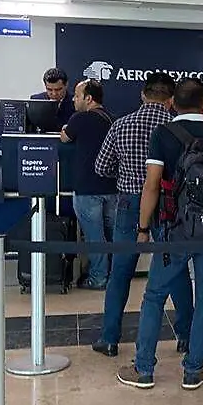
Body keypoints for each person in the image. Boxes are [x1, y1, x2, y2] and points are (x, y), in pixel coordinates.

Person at [116, 77, 203, 390]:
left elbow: (152, 185)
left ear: (172, 104)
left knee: (154, 295)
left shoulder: (164, 134)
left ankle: (143, 369)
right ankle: (194, 369)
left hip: (174, 229)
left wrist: (143, 228)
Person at [92, 72, 194, 357]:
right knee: (175, 270)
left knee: (120, 272)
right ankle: (186, 336)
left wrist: (125, 175)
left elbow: (101, 166)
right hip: (168, 205)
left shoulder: (121, 125)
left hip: (129, 204)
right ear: (171, 100)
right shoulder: (176, 130)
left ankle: (109, 338)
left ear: (142, 95)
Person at [60, 79, 117, 290]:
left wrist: (65, 128)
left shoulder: (79, 118)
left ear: (89, 98)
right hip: (112, 187)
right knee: (112, 236)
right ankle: (114, 277)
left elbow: (65, 138)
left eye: (77, 96)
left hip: (87, 188)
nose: (74, 100)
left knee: (94, 237)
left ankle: (98, 278)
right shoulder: (113, 119)